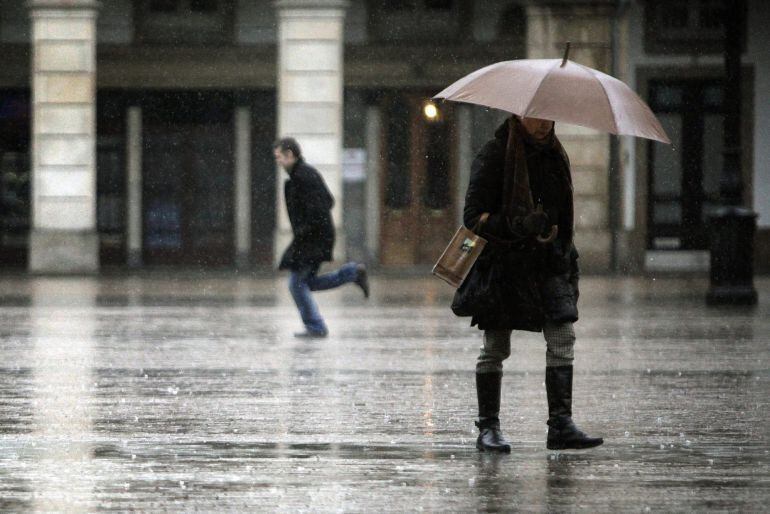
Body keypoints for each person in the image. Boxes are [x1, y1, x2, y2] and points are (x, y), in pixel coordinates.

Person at [460, 116, 603, 452]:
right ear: (520, 116)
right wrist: (517, 224)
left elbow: (561, 210)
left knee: (563, 337)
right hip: (504, 264)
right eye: (537, 117)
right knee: (495, 347)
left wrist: (552, 233)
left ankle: (560, 425)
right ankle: (488, 427)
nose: (544, 125)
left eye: (549, 118)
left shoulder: (556, 154)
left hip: (548, 261)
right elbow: (473, 217)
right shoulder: (495, 154)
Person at [274, 137, 369, 338]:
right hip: (315, 237)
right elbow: (329, 200)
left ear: (290, 155)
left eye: (280, 157)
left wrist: (305, 229)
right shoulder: (303, 175)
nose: (278, 162)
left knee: (297, 284)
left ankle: (316, 326)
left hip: (312, 239)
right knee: (304, 283)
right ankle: (353, 273)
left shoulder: (303, 177)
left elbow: (321, 206)